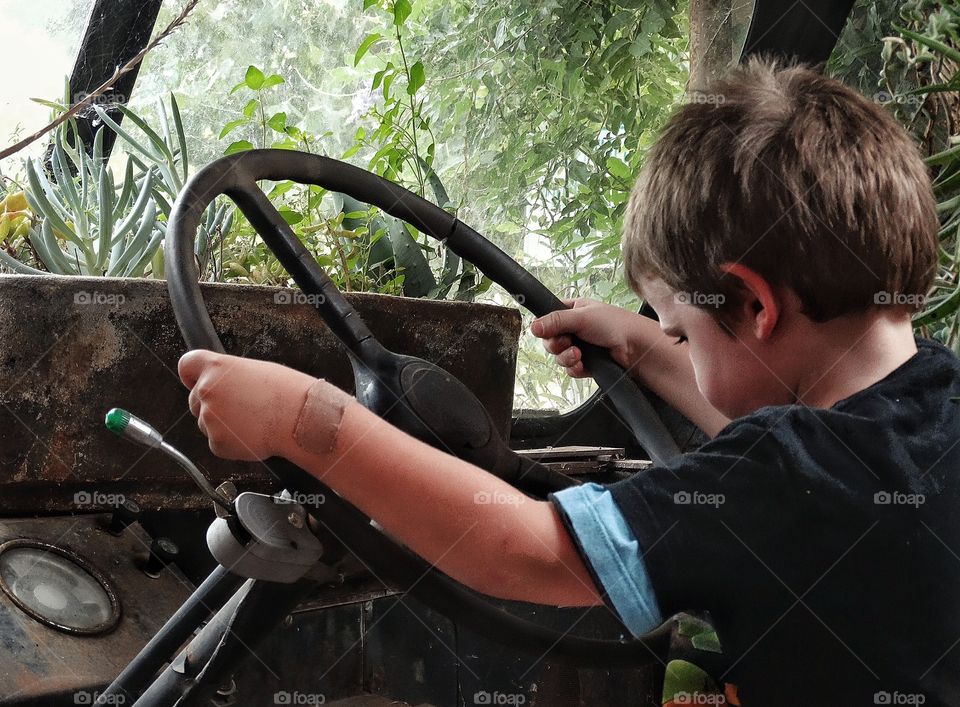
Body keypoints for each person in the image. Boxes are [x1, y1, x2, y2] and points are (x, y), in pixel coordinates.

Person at [177, 58, 960, 705]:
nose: (674, 345)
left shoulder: (781, 480)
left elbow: (518, 551)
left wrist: (308, 420)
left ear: (754, 302)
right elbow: (805, 468)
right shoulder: (924, 408)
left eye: (682, 329)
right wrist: (649, 350)